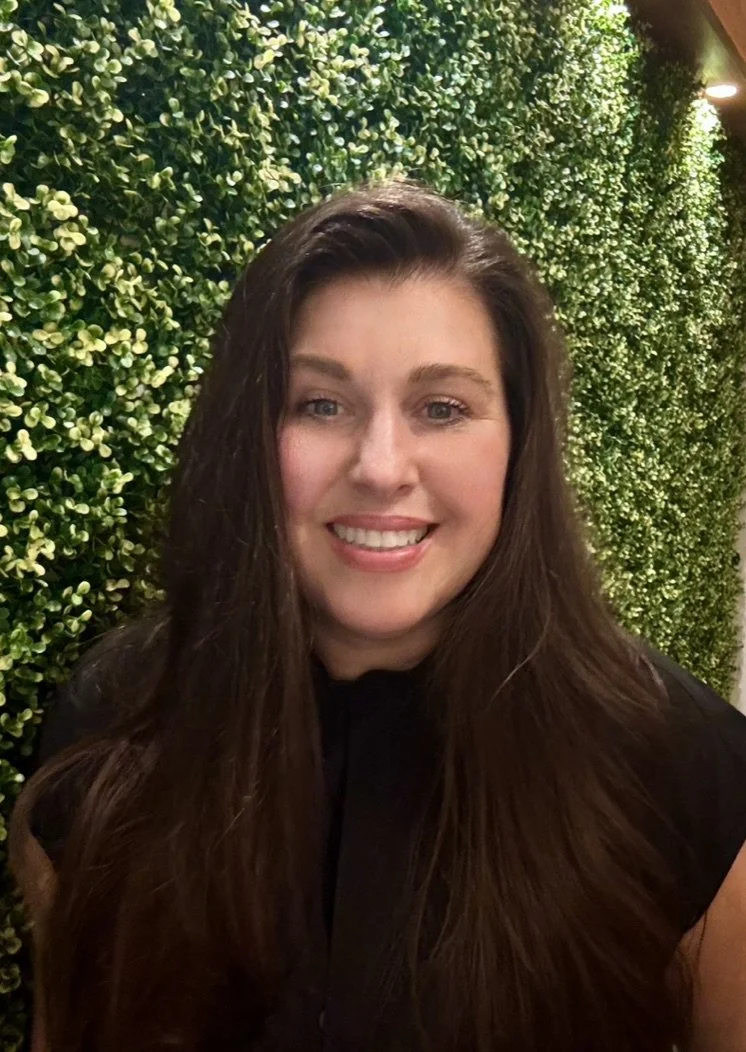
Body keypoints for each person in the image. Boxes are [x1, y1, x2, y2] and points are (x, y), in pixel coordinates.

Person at [10, 179, 746, 1052]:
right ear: (251, 430)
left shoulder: (684, 771)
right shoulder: (117, 721)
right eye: (320, 403)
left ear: (518, 445)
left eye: (443, 408)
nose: (381, 466)